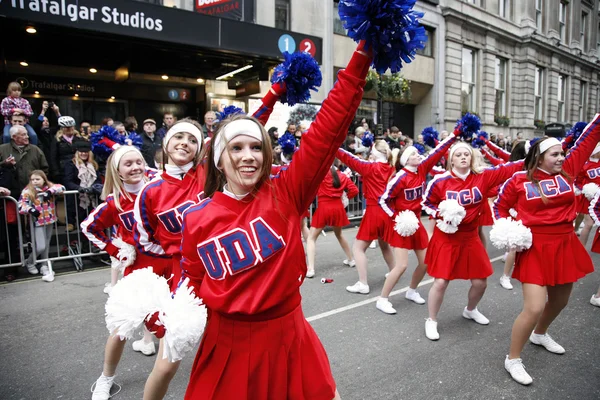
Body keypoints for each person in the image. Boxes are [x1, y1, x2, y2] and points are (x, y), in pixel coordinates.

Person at [177, 41, 372, 400]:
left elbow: (326, 132)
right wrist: (170, 324)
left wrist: (363, 55)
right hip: (226, 345)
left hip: (288, 336)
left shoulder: (285, 193)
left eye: (256, 147)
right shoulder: (197, 219)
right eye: (236, 148)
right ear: (219, 160)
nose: (248, 156)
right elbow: (190, 283)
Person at [493, 117, 600, 385]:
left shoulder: (569, 170)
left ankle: (539, 334)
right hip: (536, 247)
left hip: (564, 243)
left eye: (562, 153)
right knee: (534, 306)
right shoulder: (518, 179)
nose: (561, 158)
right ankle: (513, 359)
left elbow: (588, 141)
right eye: (555, 154)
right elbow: (500, 208)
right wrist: (510, 231)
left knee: (561, 301)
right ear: (539, 158)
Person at [83, 146, 172, 400]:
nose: (135, 167)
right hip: (140, 268)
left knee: (173, 324)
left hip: (173, 265)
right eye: (128, 164)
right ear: (117, 171)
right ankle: (105, 378)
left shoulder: (160, 184)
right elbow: (89, 227)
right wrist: (116, 249)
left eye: (139, 161)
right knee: (121, 327)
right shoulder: (115, 201)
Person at [422, 141, 524, 341]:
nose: (462, 157)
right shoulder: (440, 181)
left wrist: (534, 156)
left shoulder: (483, 177)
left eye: (466, 154)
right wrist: (441, 214)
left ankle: (470, 309)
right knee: (441, 282)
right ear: (451, 159)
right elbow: (427, 203)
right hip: (447, 238)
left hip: (470, 237)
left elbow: (510, 168)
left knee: (480, 282)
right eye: (458, 154)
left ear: (471, 158)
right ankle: (431, 320)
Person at [134, 118, 205, 400]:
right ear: (166, 143)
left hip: (222, 272)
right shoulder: (150, 191)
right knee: (166, 365)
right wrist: (177, 251)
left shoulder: (207, 174)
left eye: (192, 140)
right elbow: (146, 237)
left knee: (224, 352)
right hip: (186, 277)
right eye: (179, 137)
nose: (184, 143)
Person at [376, 130, 459, 314]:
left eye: (417, 152)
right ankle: (382, 299)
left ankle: (411, 291)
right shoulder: (400, 177)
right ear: (406, 160)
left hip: (417, 223)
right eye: (413, 153)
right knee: (402, 265)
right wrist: (396, 217)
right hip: (403, 226)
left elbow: (437, 152)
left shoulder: (422, 169)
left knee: (426, 262)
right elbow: (383, 200)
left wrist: (454, 135)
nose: (418, 155)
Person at [336, 139, 396, 294]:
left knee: (358, 248)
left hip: (374, 210)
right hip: (387, 211)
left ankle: (363, 283)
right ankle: (394, 271)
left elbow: (348, 157)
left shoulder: (370, 167)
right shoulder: (391, 168)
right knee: (384, 244)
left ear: (374, 153)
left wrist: (333, 146)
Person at [306, 163, 359, 278]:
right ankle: (351, 259)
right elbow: (354, 190)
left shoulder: (320, 175)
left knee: (311, 238)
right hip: (338, 208)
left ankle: (311, 269)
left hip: (324, 208)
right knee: (339, 234)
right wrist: (345, 197)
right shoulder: (342, 176)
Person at [18, 170, 64, 280]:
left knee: (47, 244)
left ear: (44, 179)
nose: (34, 181)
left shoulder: (49, 187)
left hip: (49, 219)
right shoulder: (27, 190)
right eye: (32, 179)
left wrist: (50, 191)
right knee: (41, 245)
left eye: (37, 179)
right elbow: (21, 204)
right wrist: (30, 209)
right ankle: (30, 261)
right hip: (37, 221)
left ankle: (44, 265)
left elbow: (61, 187)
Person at [63, 141, 103, 229]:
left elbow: (98, 179)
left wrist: (93, 187)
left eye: (86, 152)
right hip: (78, 198)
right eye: (81, 152)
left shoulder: (94, 164)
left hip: (92, 197)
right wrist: (79, 188)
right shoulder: (71, 164)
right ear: (77, 152)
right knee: (82, 222)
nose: (84, 154)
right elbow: (68, 181)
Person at [0, 125, 49, 191]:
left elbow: (44, 169)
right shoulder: (2, 149)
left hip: (33, 191)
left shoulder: (36, 149)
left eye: (27, 134)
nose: (27, 137)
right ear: (14, 137)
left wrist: (38, 182)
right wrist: (5, 163)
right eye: (23, 135)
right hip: (10, 193)